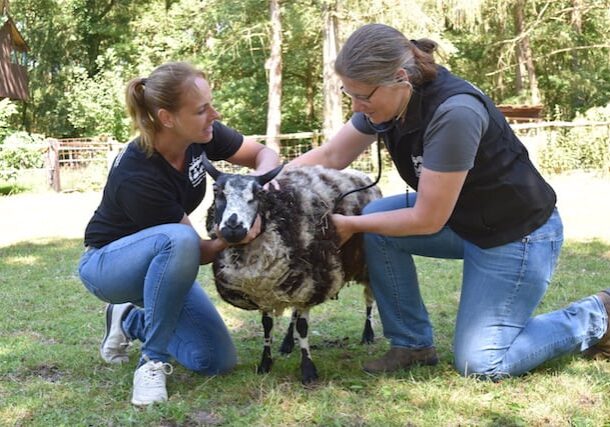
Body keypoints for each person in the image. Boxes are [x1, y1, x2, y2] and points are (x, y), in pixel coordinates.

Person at [290, 23, 610, 380]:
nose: (357, 106)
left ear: (400, 78)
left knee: (482, 363)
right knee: (377, 219)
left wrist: (350, 225)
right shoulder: (388, 101)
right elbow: (333, 154)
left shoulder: (454, 111)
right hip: (465, 222)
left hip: (516, 235)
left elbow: (427, 218)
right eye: (349, 94)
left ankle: (597, 314)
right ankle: (412, 345)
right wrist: (271, 184)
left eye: (363, 96)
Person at [78, 62, 280, 405]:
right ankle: (151, 362)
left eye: (211, 104)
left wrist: (255, 189)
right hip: (110, 267)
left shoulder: (202, 136)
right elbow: (198, 252)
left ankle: (129, 320)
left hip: (167, 265)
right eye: (202, 109)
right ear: (167, 118)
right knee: (179, 239)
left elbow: (263, 154)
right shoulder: (138, 174)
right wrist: (234, 234)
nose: (214, 114)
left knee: (215, 361)